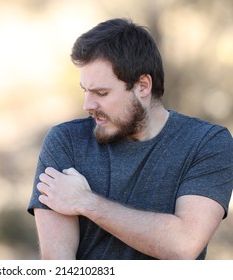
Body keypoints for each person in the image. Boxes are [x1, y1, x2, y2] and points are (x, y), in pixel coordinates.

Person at [27, 18, 233, 260]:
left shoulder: (207, 143)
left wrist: (86, 202)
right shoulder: (66, 142)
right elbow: (57, 266)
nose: (88, 105)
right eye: (85, 91)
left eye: (101, 93)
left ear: (143, 86)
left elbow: (183, 245)